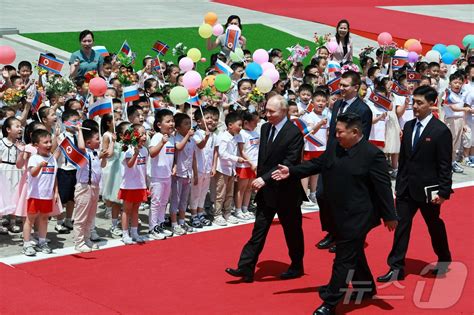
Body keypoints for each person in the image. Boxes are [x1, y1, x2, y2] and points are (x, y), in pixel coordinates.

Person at [272, 112, 398, 315]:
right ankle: (366, 287)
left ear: (355, 132)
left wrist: (390, 216)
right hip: (336, 213)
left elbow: (383, 188)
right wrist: (292, 171)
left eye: (339, 132)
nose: (336, 135)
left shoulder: (372, 155)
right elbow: (316, 164)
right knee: (354, 253)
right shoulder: (335, 148)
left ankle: (330, 303)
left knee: (343, 258)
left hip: (358, 216)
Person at [225, 95, 306, 283]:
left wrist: (264, 178)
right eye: (266, 110)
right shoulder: (265, 127)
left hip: (287, 191)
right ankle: (246, 267)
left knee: (292, 231)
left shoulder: (294, 133)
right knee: (259, 229)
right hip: (266, 190)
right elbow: (264, 158)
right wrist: (259, 177)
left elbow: (289, 163)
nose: (267, 114)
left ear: (284, 112)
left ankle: (296, 265)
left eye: (272, 112)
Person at [378, 85, 453, 282]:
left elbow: (445, 164)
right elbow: (404, 159)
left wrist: (443, 191)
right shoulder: (409, 126)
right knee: (401, 226)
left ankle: (444, 260)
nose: (415, 106)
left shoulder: (440, 131)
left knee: (434, 226)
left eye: (420, 103)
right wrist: (399, 185)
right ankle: (396, 267)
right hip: (405, 189)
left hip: (429, 191)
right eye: (414, 102)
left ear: (432, 103)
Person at [316, 70, 373, 252]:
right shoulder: (338, 104)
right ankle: (332, 231)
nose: (340, 88)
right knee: (322, 194)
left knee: (342, 200)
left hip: (348, 160)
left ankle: (343, 236)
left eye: (345, 85)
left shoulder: (363, 110)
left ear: (356, 88)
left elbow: (362, 139)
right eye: (340, 85)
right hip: (331, 156)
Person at [22, 129, 58, 256]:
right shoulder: (34, 158)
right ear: (36, 145)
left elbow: (54, 177)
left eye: (50, 142)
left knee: (44, 219)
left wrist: (56, 192)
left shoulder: (53, 159)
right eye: (45, 142)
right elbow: (33, 173)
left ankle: (42, 242)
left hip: (47, 196)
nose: (49, 145)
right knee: (30, 220)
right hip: (35, 195)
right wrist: (40, 166)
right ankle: (26, 244)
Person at [73, 124, 107, 252]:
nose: (99, 141)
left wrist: (103, 156)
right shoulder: (83, 152)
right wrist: (79, 130)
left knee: (90, 216)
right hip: (84, 187)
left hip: (95, 187)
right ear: (88, 142)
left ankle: (86, 239)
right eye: (97, 139)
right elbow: (81, 146)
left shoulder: (96, 153)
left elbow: (102, 165)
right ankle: (79, 242)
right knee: (81, 217)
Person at [118, 124, 148, 245]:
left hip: (140, 185)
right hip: (129, 185)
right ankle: (125, 234)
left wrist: (146, 183)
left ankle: (135, 233)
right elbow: (129, 165)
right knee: (126, 210)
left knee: (136, 209)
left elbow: (144, 169)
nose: (145, 136)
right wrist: (135, 153)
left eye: (145, 133)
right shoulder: (128, 149)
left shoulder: (145, 150)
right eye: (142, 134)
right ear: (134, 136)